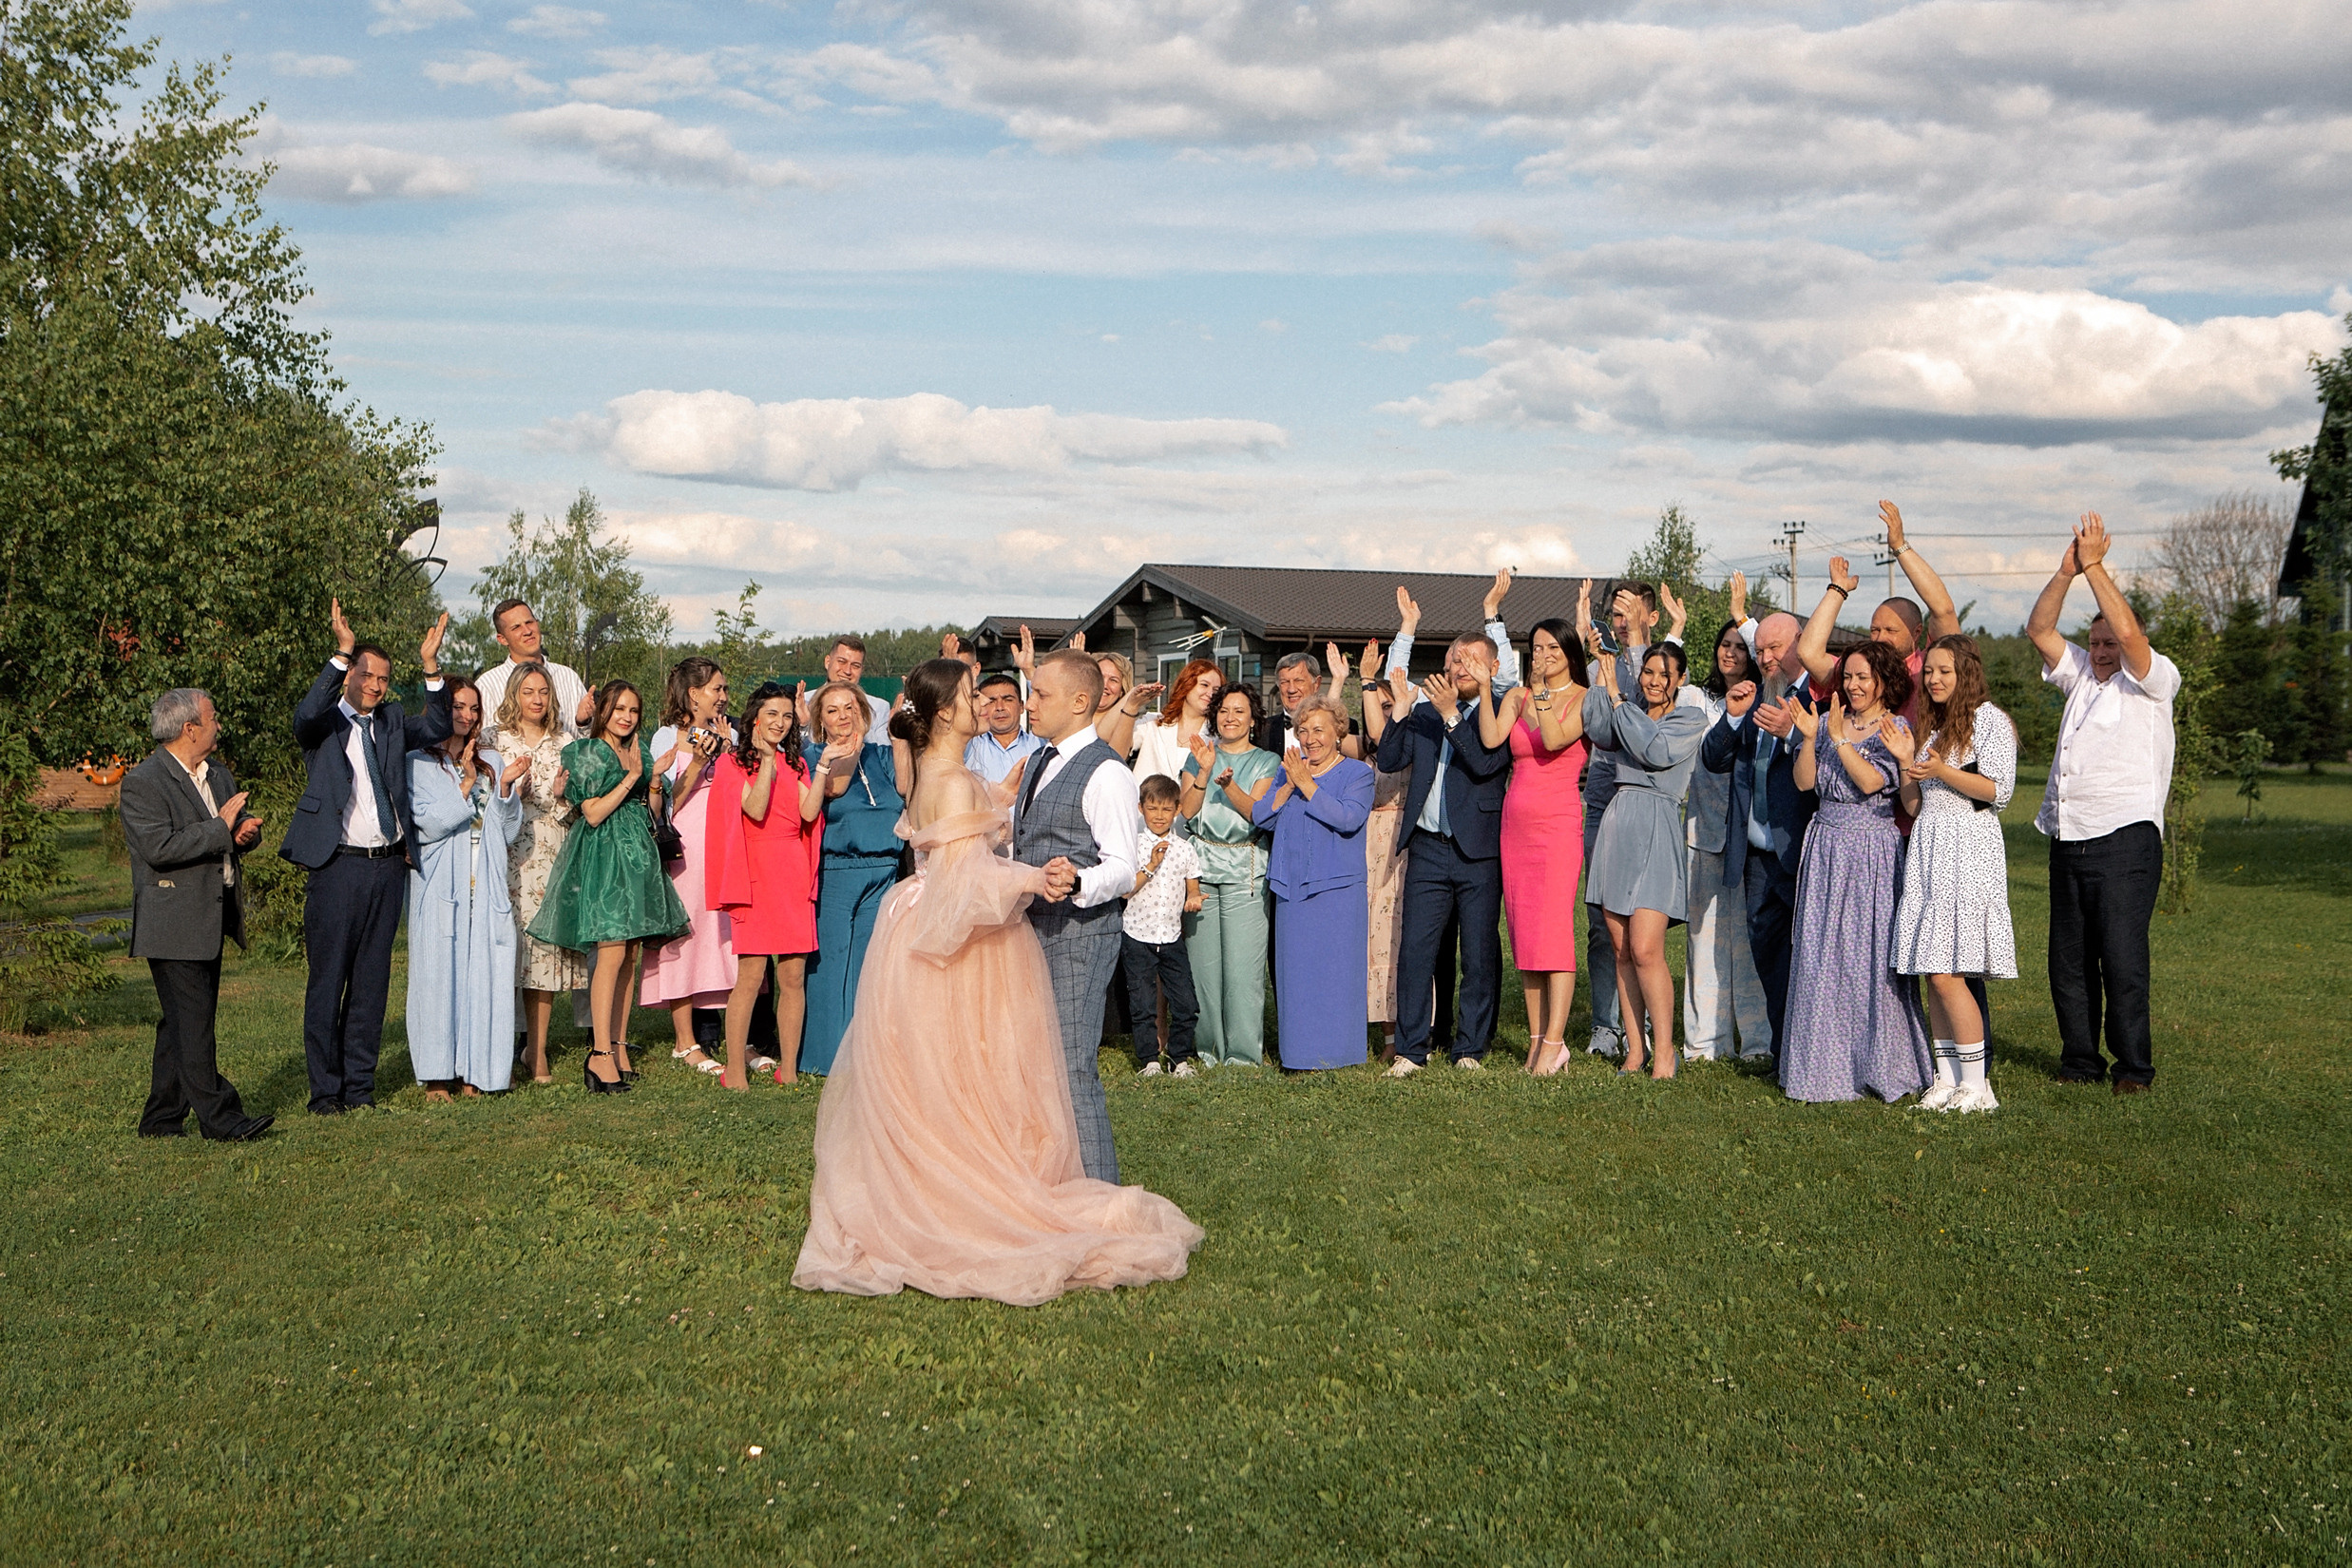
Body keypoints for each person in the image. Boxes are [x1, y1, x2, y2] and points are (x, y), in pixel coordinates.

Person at [792, 660, 1202, 1304]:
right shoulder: (957, 778)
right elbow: (965, 877)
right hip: (956, 928)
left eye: (1032, 693)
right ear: (949, 712)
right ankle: (1018, 1201)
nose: (996, 702)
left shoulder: (979, 773)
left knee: (987, 1072)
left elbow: (997, 830)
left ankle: (1019, 1186)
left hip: (944, 928)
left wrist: (1004, 803)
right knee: (980, 1075)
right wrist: (1031, 880)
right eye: (971, 695)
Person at [2025, 512, 2179, 1095]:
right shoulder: (2083, 675)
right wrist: (2066, 573)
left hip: (2125, 839)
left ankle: (2133, 1068)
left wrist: (2095, 567)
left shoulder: (2153, 679)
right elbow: (2040, 629)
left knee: (2121, 960)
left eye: (2107, 642)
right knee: (2068, 962)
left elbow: (2133, 637)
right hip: (2070, 835)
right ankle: (2080, 1061)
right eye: (2094, 643)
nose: (2102, 650)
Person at [282, 601, 452, 1116]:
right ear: (349, 676)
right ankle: (325, 1093)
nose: (375, 686)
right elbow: (305, 714)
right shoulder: (325, 724)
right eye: (366, 675)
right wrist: (340, 651)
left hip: (386, 868)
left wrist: (430, 664)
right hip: (337, 867)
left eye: (383, 679)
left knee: (372, 984)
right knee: (328, 981)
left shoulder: (394, 722)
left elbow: (440, 724)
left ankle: (359, 1088)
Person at [1780, 642, 1933, 1103]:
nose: (1853, 685)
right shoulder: (1830, 724)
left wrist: (1840, 737)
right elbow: (1805, 783)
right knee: (1821, 956)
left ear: (1884, 681)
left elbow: (1870, 782)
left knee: (1868, 958)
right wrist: (1811, 738)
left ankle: (1878, 1067)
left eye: (1863, 677)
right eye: (1848, 677)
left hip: (1870, 850)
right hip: (1826, 843)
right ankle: (1823, 1070)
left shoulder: (1896, 727)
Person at [1013, 649, 1141, 1182]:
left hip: (1079, 937)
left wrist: (1080, 880)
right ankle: (1052, 1185)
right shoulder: (1041, 759)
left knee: (1071, 1067)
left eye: (1041, 694)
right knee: (1035, 1067)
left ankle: (1101, 1203)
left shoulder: (1107, 773)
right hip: (1029, 932)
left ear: (1081, 701)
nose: (1030, 703)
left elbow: (1125, 867)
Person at [526, 680, 691, 1093]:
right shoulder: (585, 752)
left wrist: (652, 780)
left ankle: (617, 1046)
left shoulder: (638, 749)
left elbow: (654, 807)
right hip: (604, 854)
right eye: (619, 709)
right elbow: (594, 813)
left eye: (634, 711)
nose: (627, 717)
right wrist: (632, 777)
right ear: (602, 711)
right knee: (612, 950)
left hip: (638, 854)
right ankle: (599, 1054)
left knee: (630, 953)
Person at [123, 688, 272, 1141]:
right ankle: (222, 1119)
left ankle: (161, 1120)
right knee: (194, 1022)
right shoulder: (143, 781)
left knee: (181, 1022)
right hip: (173, 922)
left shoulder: (218, 774)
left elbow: (230, 831)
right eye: (212, 718)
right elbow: (158, 848)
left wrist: (244, 834)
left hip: (211, 915)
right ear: (189, 728)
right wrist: (220, 829)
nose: (219, 724)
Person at [1889, 636, 2018, 1113]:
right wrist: (1908, 761)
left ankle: (1978, 1085)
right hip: (1930, 846)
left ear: (1966, 673)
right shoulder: (1933, 728)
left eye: (1945, 671)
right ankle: (1947, 1080)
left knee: (1948, 973)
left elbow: (1995, 791)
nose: (1935, 679)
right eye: (1930, 672)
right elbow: (1914, 803)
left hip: (1969, 848)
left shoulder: (1989, 721)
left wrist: (1942, 769)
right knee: (1933, 970)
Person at [1376, 633, 1512, 1076]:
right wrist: (1400, 705)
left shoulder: (1500, 712)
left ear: (1491, 669)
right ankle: (1412, 1049)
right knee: (1416, 952)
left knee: (1478, 953)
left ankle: (1470, 1047)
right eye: (1455, 660)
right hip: (1429, 847)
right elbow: (1390, 759)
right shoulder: (1424, 713)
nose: (1459, 668)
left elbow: (1485, 763)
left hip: (1478, 850)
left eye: (1471, 661)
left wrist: (1452, 714)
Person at [1473, 603, 1590, 1076]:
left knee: (1555, 932)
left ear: (1568, 651)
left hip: (1559, 823)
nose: (1542, 654)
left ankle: (1557, 1041)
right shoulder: (1517, 696)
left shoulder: (1585, 696)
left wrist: (1541, 693)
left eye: (1551, 647)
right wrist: (1486, 688)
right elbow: (1491, 738)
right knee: (1524, 932)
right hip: (1515, 824)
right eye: (1536, 647)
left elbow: (1557, 738)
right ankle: (1537, 1039)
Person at [1582, 641, 1707, 1079]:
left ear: (1680, 678)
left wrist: (1618, 696)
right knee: (1619, 948)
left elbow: (1654, 751)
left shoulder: (1689, 719)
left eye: (1663, 673)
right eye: (1648, 672)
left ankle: (1666, 1052)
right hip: (1618, 822)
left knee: (1645, 947)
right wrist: (1603, 671)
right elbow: (1598, 728)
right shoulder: (1626, 706)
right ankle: (1635, 1051)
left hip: (1657, 823)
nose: (1653, 681)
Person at [1697, 611, 1815, 1068]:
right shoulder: (1758, 695)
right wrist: (1731, 717)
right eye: (1759, 649)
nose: (1764, 658)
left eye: (1775, 649)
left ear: (1799, 645)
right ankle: (1784, 1050)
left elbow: (1824, 765)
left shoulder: (1818, 696)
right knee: (1767, 954)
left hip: (1800, 849)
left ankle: (1800, 1054)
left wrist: (1791, 735)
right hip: (1757, 856)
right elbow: (1713, 757)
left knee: (1805, 958)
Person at [405, 677, 526, 1100]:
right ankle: (438, 1074)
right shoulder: (418, 761)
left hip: (485, 878)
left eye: (474, 708)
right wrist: (465, 782)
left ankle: (481, 1069)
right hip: (440, 883)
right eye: (458, 706)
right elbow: (428, 823)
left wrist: (505, 788)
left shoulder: (491, 758)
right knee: (439, 974)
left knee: (486, 974)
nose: (467, 716)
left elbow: (508, 831)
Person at [709, 681, 834, 1087]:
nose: (780, 723)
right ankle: (734, 1070)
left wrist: (824, 769)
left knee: (793, 977)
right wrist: (765, 762)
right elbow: (756, 809)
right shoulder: (732, 763)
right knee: (750, 977)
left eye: (786, 715)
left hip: (792, 873)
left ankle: (791, 1071)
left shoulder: (796, 764)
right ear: (754, 719)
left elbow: (808, 813)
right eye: (772, 715)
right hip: (756, 876)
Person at [1253, 696, 1376, 1070]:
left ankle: (1341, 1055)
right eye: (1303, 731)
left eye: (1319, 730)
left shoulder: (1358, 773)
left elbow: (1347, 818)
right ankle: (1298, 1056)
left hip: (1337, 890)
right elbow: (1262, 816)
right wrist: (1290, 784)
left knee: (1337, 975)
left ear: (1339, 732)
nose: (1310, 739)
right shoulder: (1288, 770)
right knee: (1297, 977)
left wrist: (1307, 785)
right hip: (1291, 887)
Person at [802, 679, 912, 1076]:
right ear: (820, 720)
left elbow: (903, 787)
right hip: (838, 869)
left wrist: (897, 733)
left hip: (883, 871)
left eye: (850, 708)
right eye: (833, 710)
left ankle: (860, 1054)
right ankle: (823, 1057)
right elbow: (834, 788)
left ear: (863, 712)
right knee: (830, 964)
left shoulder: (880, 754)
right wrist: (848, 749)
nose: (843, 717)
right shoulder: (814, 754)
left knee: (867, 966)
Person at [639, 658, 738, 1079]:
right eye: (716, 688)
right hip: (686, 850)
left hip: (725, 846)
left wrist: (729, 748)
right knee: (684, 936)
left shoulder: (730, 733)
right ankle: (685, 1040)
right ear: (694, 693)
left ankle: (737, 1035)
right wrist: (698, 760)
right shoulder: (667, 736)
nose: (723, 696)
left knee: (725, 936)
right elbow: (667, 798)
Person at [1684, 600, 1773, 1064]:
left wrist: (1745, 618)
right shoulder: (1697, 698)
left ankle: (1758, 1044)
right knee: (1704, 943)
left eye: (1741, 646)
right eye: (1725, 644)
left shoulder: (1768, 704)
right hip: (1703, 831)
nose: (1731, 652)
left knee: (1750, 944)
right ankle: (1705, 1043)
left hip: (1750, 840)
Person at [492, 662, 586, 1083]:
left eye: (543, 691)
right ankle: (495, 1051)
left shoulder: (563, 741)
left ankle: (538, 1050)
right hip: (508, 854)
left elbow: (575, 805)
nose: (536, 699)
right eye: (528, 691)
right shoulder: (496, 741)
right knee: (505, 952)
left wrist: (563, 797)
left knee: (543, 955)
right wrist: (510, 791)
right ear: (514, 695)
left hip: (552, 853)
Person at [1177, 684, 1279, 1068]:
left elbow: (1257, 812)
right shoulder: (1199, 757)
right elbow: (1186, 811)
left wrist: (1229, 785)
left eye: (1239, 711)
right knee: (1203, 969)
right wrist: (1204, 771)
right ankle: (1206, 1051)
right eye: (1223, 710)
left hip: (1245, 871)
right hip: (1198, 872)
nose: (1230, 717)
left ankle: (1241, 1055)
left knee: (1242, 971)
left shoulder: (1268, 761)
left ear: (1253, 719)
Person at [1792, 502, 1961, 732]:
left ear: (1917, 632)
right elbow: (1807, 652)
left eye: (1891, 631)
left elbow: (1943, 609)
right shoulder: (1857, 674)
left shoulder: (1929, 668)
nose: (1881, 638)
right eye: (1875, 630)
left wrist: (1899, 546)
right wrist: (1837, 590)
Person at [1122, 775, 1204, 1076]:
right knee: (1143, 1004)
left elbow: (1193, 886)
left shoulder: (1185, 849)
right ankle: (1150, 1061)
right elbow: (1126, 889)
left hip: (1171, 937)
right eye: (1153, 808)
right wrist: (1151, 865)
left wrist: (1194, 897)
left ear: (1177, 810)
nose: (1159, 816)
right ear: (1141, 808)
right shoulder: (1132, 845)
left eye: (1166, 810)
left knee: (1186, 1003)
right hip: (1137, 936)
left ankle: (1179, 1059)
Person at [1351, 647, 1411, 1056]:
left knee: (1395, 940)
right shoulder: (1359, 748)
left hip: (1400, 850)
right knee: (1365, 939)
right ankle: (1367, 1031)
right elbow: (1325, 731)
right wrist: (1347, 682)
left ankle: (1400, 1033)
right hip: (1364, 848)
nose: (1384, 713)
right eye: (1378, 706)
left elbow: (1383, 736)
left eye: (1391, 706)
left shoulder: (1408, 745)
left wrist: (1373, 683)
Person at [474, 598, 595, 747]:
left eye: (529, 622)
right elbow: (483, 746)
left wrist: (584, 722)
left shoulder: (568, 677)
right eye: (516, 627)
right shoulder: (487, 685)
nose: (527, 631)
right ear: (502, 639)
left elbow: (587, 744)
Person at [1131, 658, 1223, 788]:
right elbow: (1117, 747)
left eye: (1216, 690)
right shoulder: (1153, 722)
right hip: (1142, 806)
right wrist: (1131, 704)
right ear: (1186, 684)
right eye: (1204, 685)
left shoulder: (1218, 738)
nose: (1210, 693)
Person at [807, 635, 895, 742]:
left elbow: (883, 753)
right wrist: (803, 724)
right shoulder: (804, 702)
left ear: (862, 669)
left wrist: (862, 728)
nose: (847, 671)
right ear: (827, 662)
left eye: (855, 666)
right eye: (842, 662)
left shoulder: (878, 708)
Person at [963, 670, 1045, 785]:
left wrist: (1028, 670)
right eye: (991, 701)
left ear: (1021, 706)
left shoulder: (1040, 743)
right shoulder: (971, 746)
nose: (1000, 707)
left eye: (1008, 700)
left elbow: (1047, 708)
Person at [1255, 651, 1324, 755]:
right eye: (1285, 682)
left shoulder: (1341, 728)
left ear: (1316, 684)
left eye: (1298, 681)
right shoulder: (1262, 730)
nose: (1291, 689)